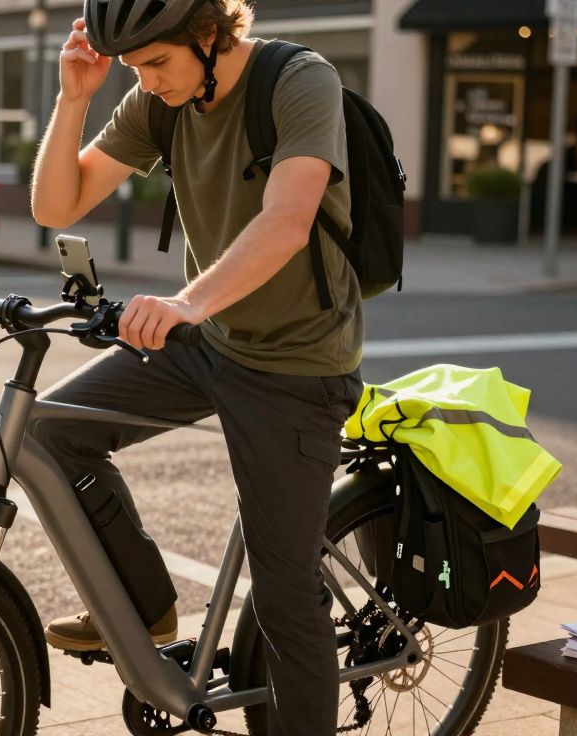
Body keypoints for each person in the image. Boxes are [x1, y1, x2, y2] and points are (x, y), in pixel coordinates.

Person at [29, 1, 363, 733]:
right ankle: (148, 605)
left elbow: (288, 217)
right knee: (49, 433)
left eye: (157, 64)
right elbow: (60, 204)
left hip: (296, 364)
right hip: (208, 344)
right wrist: (73, 99)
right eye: (135, 69)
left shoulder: (299, 80)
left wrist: (186, 302)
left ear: (208, 36)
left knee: (283, 597)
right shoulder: (164, 101)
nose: (145, 83)